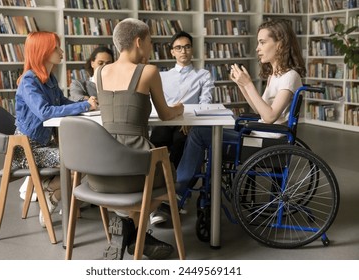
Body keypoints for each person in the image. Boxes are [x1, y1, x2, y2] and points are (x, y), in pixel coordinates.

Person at [152, 19, 306, 225]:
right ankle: (185, 192)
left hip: (268, 143)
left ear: (279, 43)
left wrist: (248, 84)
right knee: (204, 133)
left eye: (262, 42)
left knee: (199, 133)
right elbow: (261, 110)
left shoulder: (290, 76)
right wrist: (242, 86)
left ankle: (177, 194)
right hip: (259, 136)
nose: (257, 48)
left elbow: (269, 117)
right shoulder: (276, 76)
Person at [92, 18, 184, 260]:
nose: (152, 47)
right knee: (169, 181)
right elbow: (165, 115)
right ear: (138, 41)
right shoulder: (149, 71)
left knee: (145, 184)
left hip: (100, 173)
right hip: (135, 170)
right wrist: (180, 108)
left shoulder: (99, 71)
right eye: (151, 41)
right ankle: (134, 231)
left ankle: (126, 228)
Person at [12, 31, 98, 227]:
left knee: (86, 157)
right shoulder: (28, 80)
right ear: (42, 51)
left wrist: (86, 102)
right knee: (81, 160)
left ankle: (50, 192)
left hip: (45, 145)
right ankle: (50, 191)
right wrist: (84, 106)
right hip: (28, 150)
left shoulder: (49, 79)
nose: (61, 51)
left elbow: (63, 102)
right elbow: (45, 112)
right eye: (56, 48)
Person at [150, 31, 214, 169]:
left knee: (181, 140)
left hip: (188, 123)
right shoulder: (162, 76)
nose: (183, 51)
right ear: (172, 52)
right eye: (178, 48)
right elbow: (156, 103)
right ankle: (157, 179)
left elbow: (205, 103)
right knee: (156, 139)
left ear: (192, 50)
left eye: (187, 47)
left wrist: (190, 121)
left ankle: (177, 182)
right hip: (166, 121)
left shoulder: (203, 75)